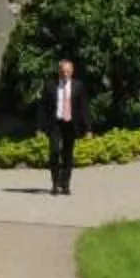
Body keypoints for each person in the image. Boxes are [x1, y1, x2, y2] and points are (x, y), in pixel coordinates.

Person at [47, 57, 88, 195]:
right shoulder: (50, 85)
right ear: (59, 71)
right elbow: (42, 107)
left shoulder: (78, 86)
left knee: (68, 155)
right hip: (55, 124)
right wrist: (39, 126)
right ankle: (54, 183)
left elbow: (83, 108)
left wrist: (88, 128)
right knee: (54, 152)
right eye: (63, 72)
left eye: (68, 72)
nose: (65, 74)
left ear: (72, 72)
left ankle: (65, 184)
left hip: (70, 124)